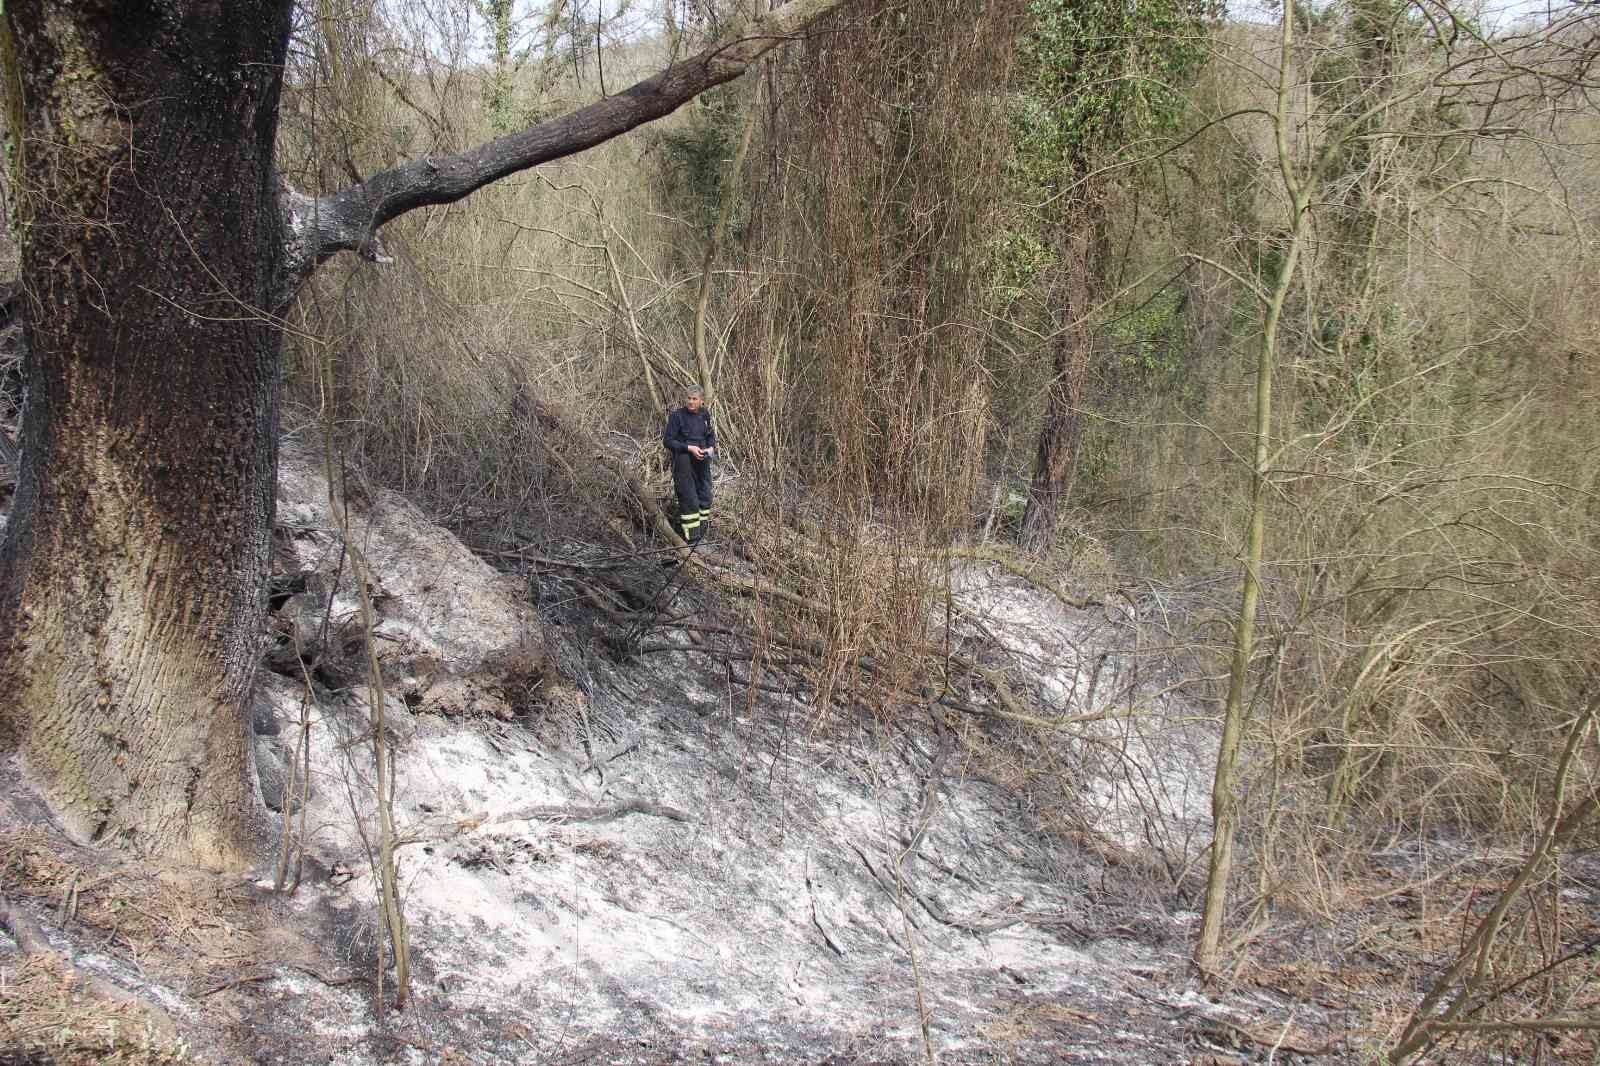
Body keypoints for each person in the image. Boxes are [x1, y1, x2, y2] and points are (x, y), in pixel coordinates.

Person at [663, 386, 716, 543]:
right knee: (689, 499)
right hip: (683, 461)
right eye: (689, 398)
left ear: (701, 401)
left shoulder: (705, 415)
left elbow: (710, 435)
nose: (691, 402)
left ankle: (701, 532)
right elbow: (667, 441)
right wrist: (688, 448)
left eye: (694, 399)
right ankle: (691, 540)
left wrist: (711, 447)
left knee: (705, 495)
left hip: (702, 461)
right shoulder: (676, 416)